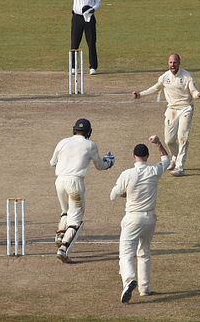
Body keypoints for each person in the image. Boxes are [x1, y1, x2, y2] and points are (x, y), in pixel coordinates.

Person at [110, 135, 169, 303]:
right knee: (144, 252)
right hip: (150, 219)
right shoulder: (154, 171)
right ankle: (144, 288)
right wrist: (158, 144)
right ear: (147, 156)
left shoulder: (127, 174)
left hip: (132, 218)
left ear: (133, 156)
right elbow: (166, 160)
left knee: (126, 254)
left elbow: (113, 195)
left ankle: (129, 281)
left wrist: (128, 193)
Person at [50, 118, 115, 263]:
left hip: (59, 181)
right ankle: (63, 248)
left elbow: (52, 162)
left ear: (74, 130)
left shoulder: (63, 142)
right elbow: (100, 165)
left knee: (65, 211)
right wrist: (109, 162)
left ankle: (60, 235)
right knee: (76, 221)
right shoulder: (90, 145)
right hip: (75, 183)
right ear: (89, 132)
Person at [132, 53, 200, 177]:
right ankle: (175, 158)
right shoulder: (164, 77)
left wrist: (198, 94)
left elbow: (193, 91)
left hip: (185, 108)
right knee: (169, 140)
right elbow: (155, 88)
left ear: (179, 63)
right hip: (171, 110)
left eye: (175, 62)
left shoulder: (187, 76)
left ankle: (180, 167)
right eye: (170, 62)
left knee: (183, 137)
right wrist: (140, 94)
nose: (172, 65)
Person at [69, 0, 102, 75]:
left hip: (89, 17)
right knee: (75, 42)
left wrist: (93, 9)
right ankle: (73, 67)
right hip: (77, 17)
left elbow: (98, 2)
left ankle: (93, 67)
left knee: (91, 42)